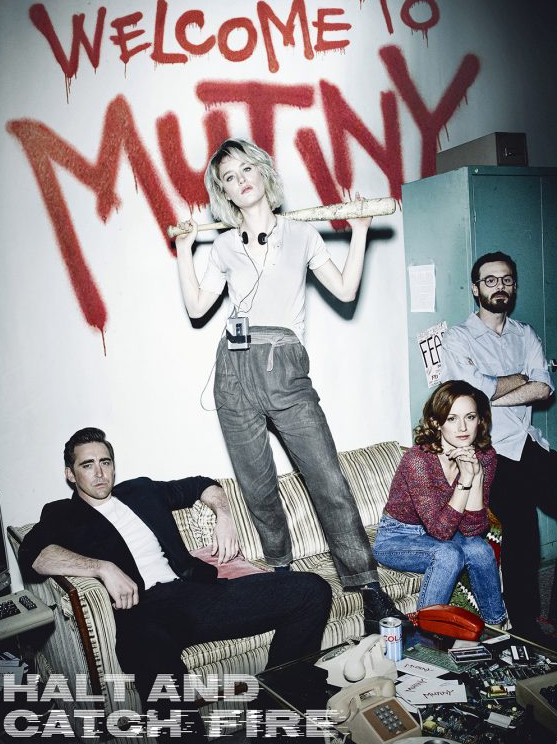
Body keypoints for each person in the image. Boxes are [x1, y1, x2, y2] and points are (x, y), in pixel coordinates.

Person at [174, 138, 407, 631]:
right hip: (233, 371)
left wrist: (359, 232)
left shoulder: (302, 234)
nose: (241, 180)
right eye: (230, 177)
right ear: (225, 193)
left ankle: (368, 587)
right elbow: (197, 307)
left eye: (246, 169)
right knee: (257, 487)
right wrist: (184, 250)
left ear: (262, 172)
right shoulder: (224, 246)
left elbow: (345, 289)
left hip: (284, 365)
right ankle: (281, 576)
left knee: (328, 480)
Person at [18, 427, 332, 741]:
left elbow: (202, 484)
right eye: (87, 465)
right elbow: (32, 555)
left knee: (311, 590)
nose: (100, 473)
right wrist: (102, 567)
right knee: (156, 668)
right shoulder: (62, 514)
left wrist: (224, 517)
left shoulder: (141, 491)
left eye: (106, 462)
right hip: (140, 612)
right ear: (70, 474)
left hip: (193, 594)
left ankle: (271, 714)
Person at [440, 251, 556, 641]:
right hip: (492, 451)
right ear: (476, 289)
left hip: (529, 443)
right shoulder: (458, 337)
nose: (499, 286)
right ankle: (525, 627)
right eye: (490, 280)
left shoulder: (526, 334)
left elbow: (544, 388)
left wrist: (490, 392)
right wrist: (517, 379)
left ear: (514, 286)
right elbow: (469, 393)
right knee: (523, 534)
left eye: (506, 279)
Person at [373, 381, 506, 625]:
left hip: (447, 531)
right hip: (397, 537)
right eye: (452, 419)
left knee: (480, 549)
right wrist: (465, 479)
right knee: (448, 554)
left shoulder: (485, 456)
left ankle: (496, 627)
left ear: (480, 420)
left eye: (470, 417)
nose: (463, 427)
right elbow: (441, 532)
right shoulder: (418, 460)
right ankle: (428, 634)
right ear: (436, 422)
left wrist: (476, 475)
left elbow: (473, 530)